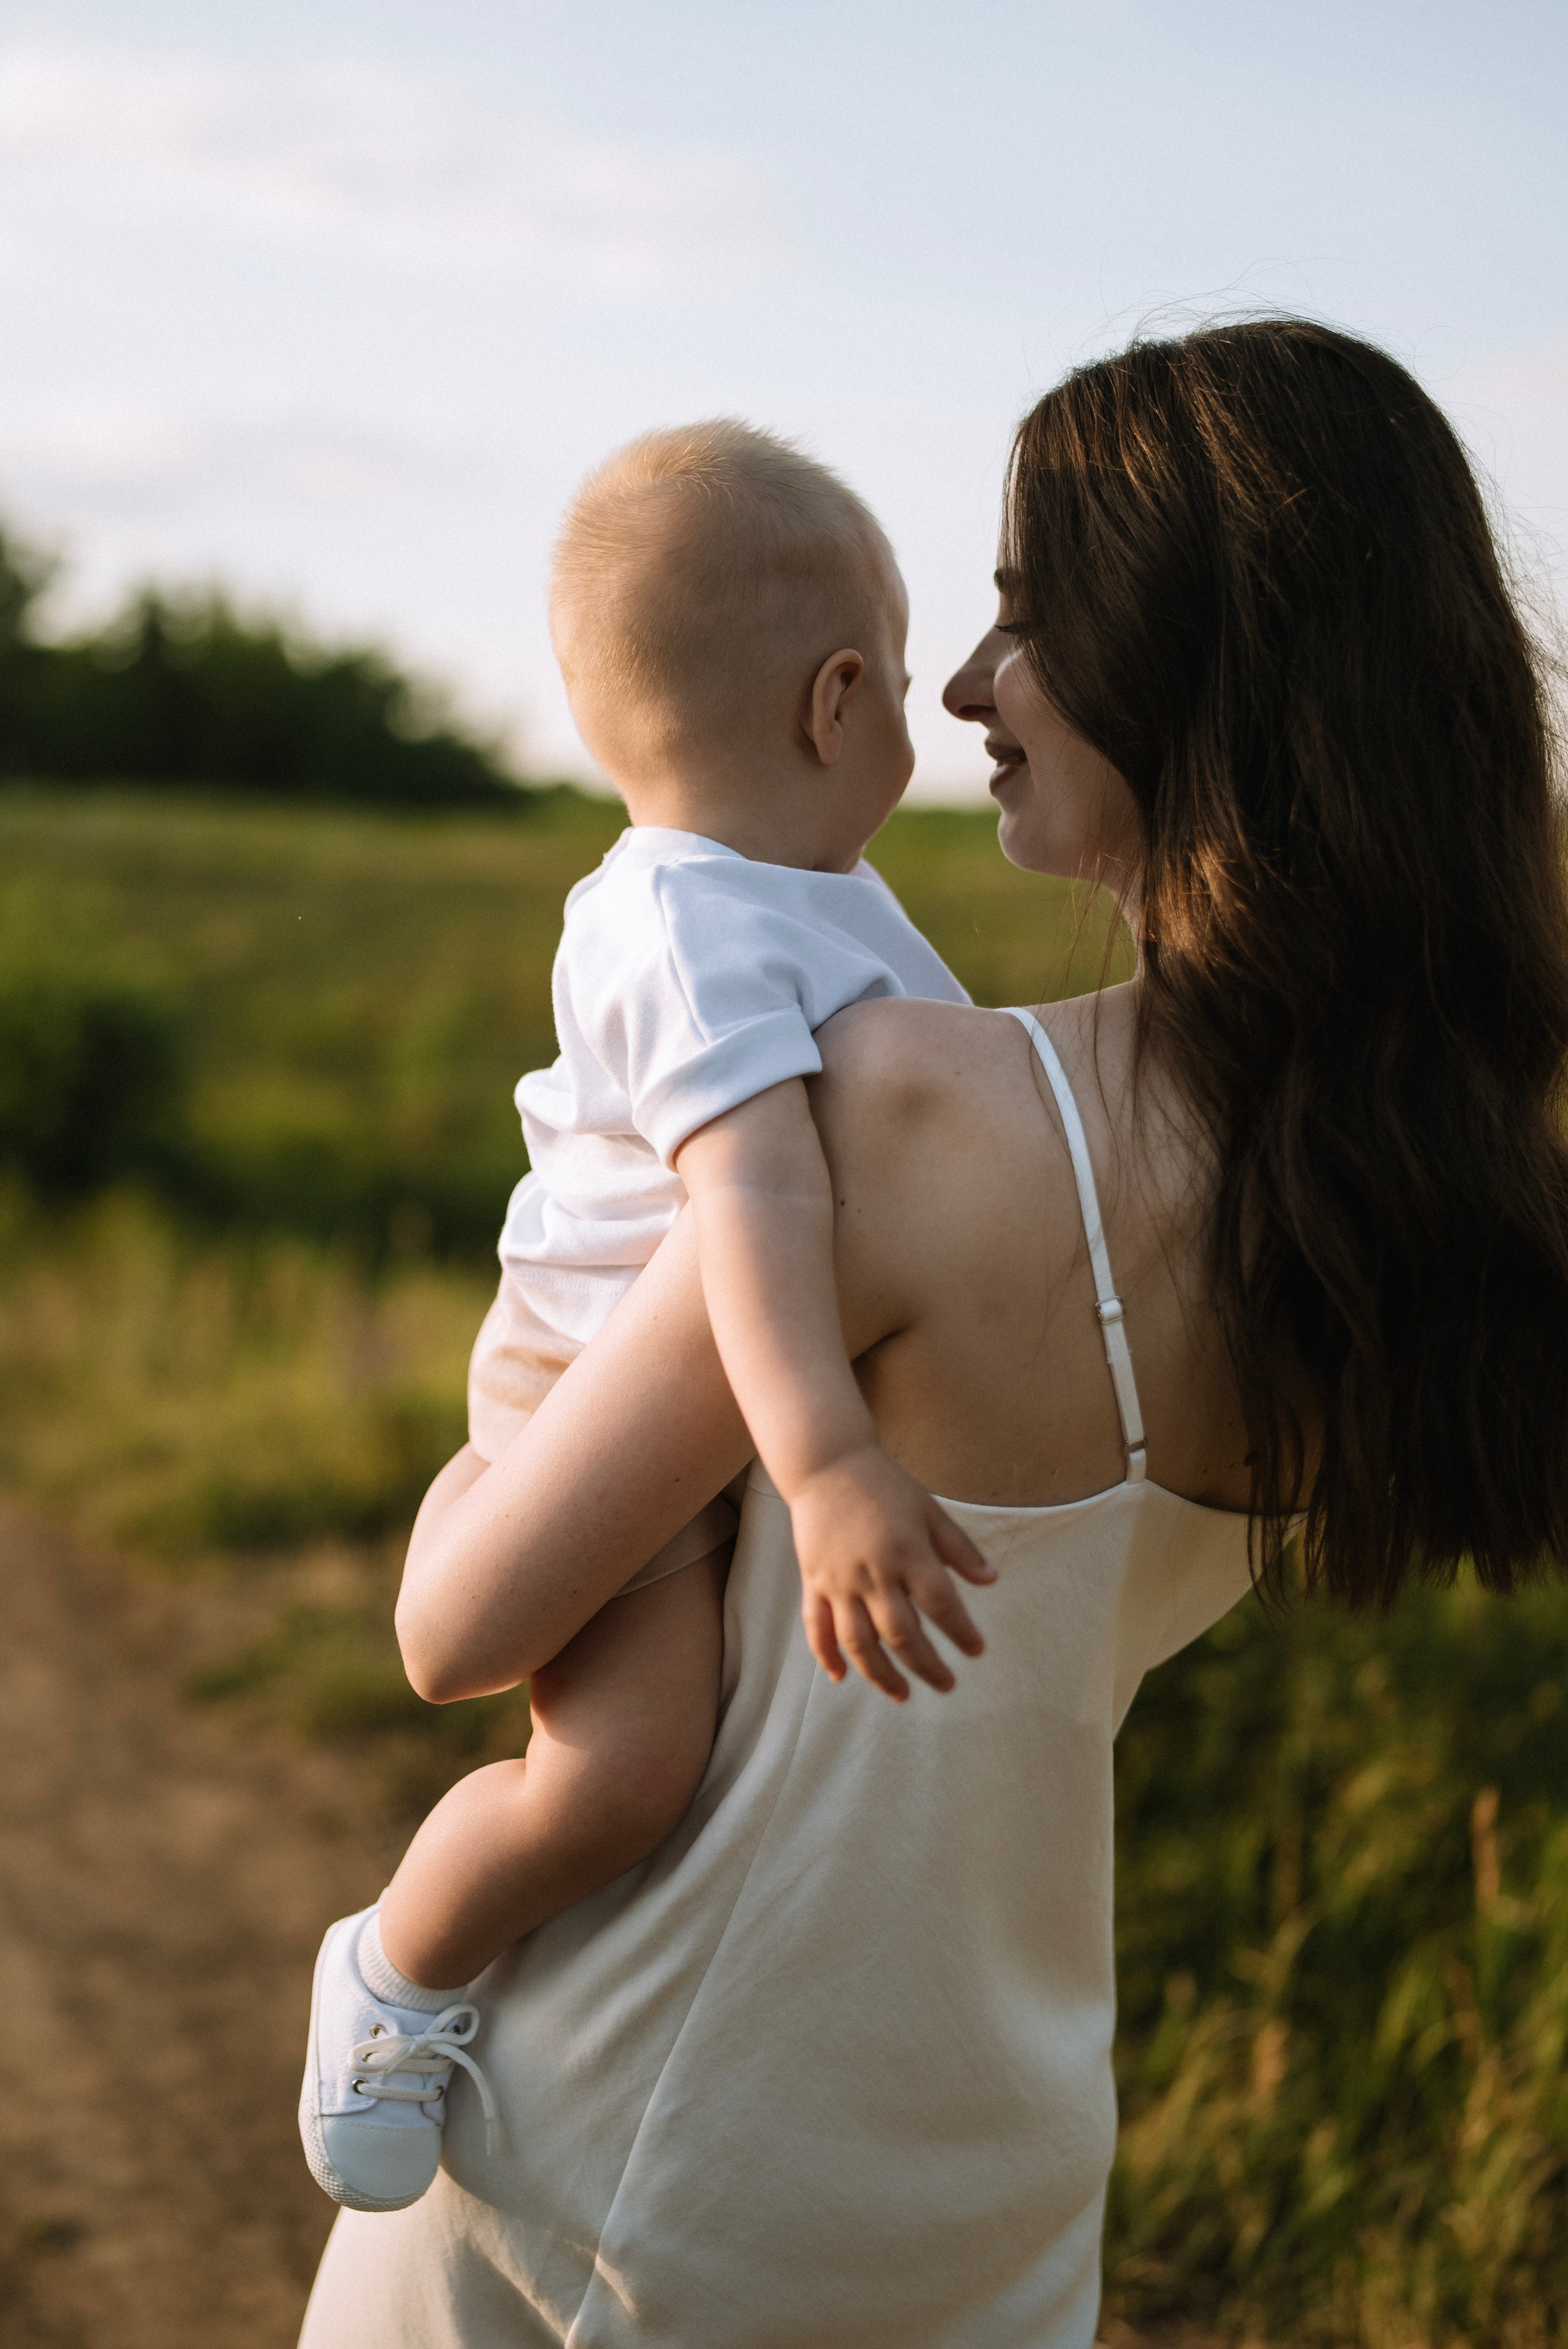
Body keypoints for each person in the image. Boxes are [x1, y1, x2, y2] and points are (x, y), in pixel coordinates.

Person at [300, 320, 1568, 2348]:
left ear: (1183, 655)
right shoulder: (1410, 1222)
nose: (972, 684)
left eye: (1023, 613)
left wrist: (480, 1446)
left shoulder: (908, 1114)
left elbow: (457, 1634)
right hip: (989, 2203)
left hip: (622, 2177)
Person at [298, 421, 985, 2215]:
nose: (921, 726)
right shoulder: (679, 920)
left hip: (680, 1391)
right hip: (584, 1401)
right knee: (619, 1772)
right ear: (839, 700)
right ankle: (399, 1967)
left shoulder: (828, 898)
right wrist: (826, 1456)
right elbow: (754, 1197)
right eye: (905, 685)